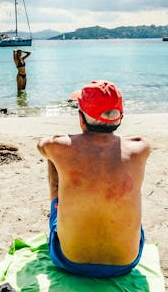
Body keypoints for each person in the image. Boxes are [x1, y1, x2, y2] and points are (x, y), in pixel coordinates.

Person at [36, 80, 150, 278]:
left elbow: (41, 145)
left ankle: (59, 210)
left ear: (82, 119)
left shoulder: (59, 146)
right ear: (120, 116)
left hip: (68, 259)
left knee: (54, 160)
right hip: (125, 263)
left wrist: (68, 144)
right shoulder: (140, 149)